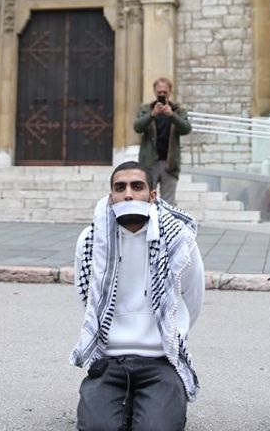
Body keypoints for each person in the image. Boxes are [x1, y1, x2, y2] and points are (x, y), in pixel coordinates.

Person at [71, 161, 204, 431]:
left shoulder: (178, 239)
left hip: (160, 361)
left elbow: (192, 297)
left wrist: (171, 331)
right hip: (109, 360)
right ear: (111, 197)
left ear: (152, 196)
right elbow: (87, 299)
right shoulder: (90, 240)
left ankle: (155, 400)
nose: (128, 194)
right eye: (120, 188)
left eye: (137, 186)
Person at [133, 77, 192, 205]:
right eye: (159, 92)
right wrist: (152, 115)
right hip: (149, 163)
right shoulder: (146, 109)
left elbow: (186, 129)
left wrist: (172, 115)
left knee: (168, 204)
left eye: (165, 92)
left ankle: (166, 224)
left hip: (169, 163)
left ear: (170, 92)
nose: (162, 95)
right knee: (146, 201)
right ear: (155, 92)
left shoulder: (178, 110)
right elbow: (137, 127)